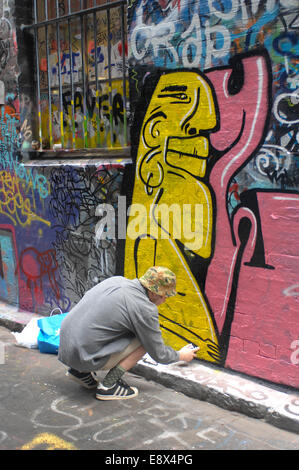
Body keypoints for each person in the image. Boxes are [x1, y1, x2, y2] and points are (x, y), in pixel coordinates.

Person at [58, 266, 199, 401]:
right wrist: (181, 355)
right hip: (84, 354)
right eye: (164, 296)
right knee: (145, 342)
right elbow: (158, 353)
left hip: (66, 346)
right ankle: (109, 386)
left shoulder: (117, 280)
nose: (165, 300)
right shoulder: (145, 308)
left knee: (111, 329)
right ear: (153, 292)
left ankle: (78, 372)